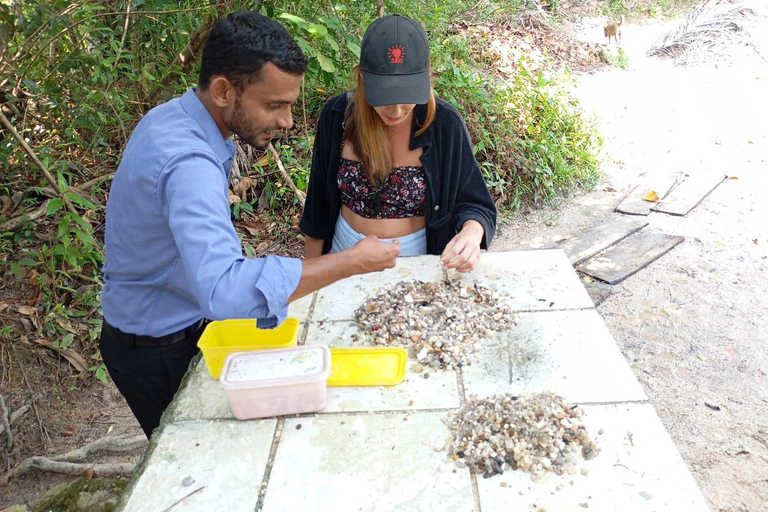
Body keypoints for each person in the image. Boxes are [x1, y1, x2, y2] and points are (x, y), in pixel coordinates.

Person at [100, 11, 400, 439]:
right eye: (274, 105)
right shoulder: (189, 163)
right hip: (157, 348)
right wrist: (350, 261)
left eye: (289, 105)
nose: (286, 122)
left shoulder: (172, 118)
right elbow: (224, 289)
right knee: (197, 458)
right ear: (223, 90)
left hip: (175, 325)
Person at [299, 14, 496, 273]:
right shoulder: (337, 116)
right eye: (384, 94)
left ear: (426, 78)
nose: (396, 109)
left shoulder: (444, 125)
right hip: (343, 253)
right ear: (362, 79)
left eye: (407, 94)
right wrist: (311, 280)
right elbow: (317, 210)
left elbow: (475, 203)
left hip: (418, 259)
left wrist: (471, 233)